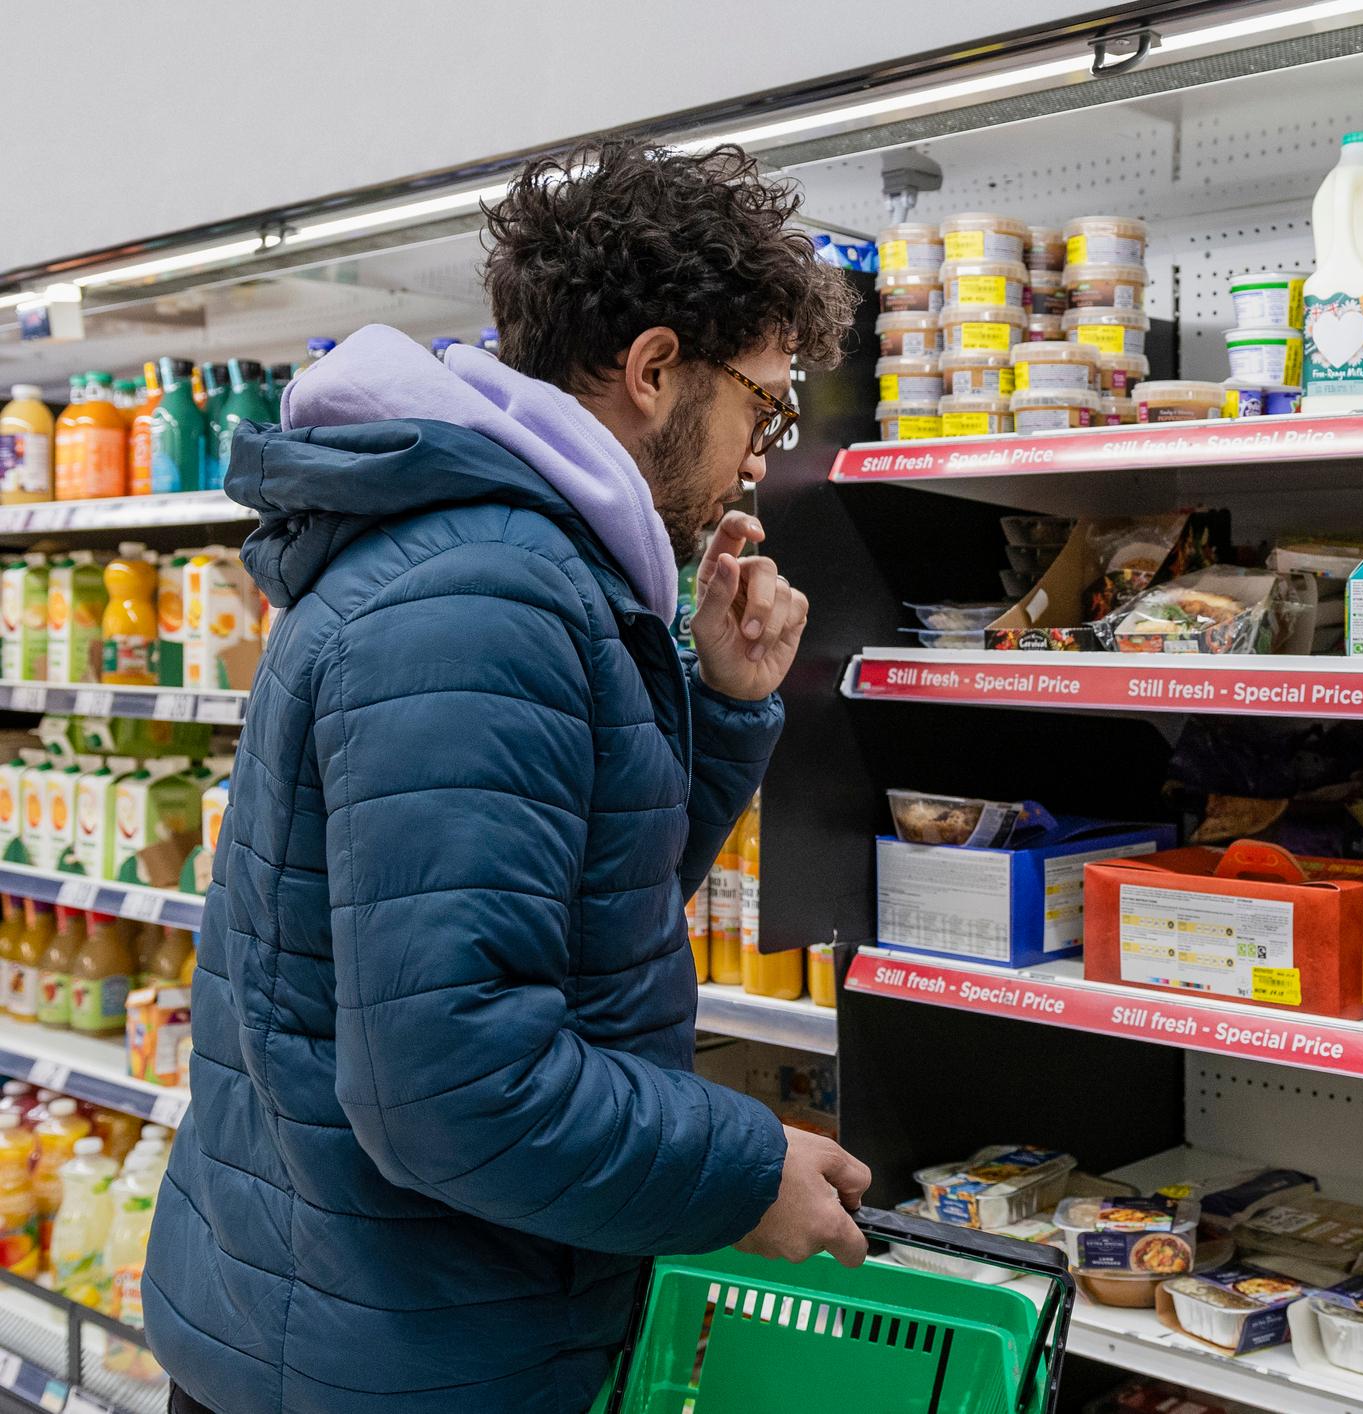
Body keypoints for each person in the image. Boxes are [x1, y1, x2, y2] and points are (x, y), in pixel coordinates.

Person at [142, 138, 870, 1414]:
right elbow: (451, 1083)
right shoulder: (488, 593)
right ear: (655, 371)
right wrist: (741, 1171)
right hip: (394, 1351)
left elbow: (571, 915)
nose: (762, 456)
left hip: (365, 1316)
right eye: (764, 406)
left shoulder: (515, 565)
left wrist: (722, 701)